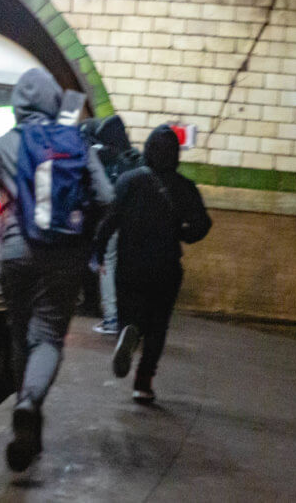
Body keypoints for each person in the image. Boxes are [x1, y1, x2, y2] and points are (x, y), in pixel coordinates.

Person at [0, 68, 113, 472]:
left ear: (18, 106)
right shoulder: (77, 140)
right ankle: (29, 403)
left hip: (16, 253)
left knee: (19, 335)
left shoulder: (4, 145)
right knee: (47, 337)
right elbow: (106, 197)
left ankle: (25, 424)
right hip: (65, 255)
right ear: (51, 101)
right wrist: (90, 241)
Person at [96, 124, 212, 403]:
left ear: (147, 149)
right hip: (166, 266)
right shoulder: (185, 187)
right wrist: (183, 233)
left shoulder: (129, 181)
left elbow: (110, 220)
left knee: (130, 311)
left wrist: (98, 252)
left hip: (130, 263)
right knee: (159, 325)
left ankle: (129, 331)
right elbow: (203, 225)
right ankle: (143, 382)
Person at [90, 115, 144, 335]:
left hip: (114, 221)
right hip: (138, 224)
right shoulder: (137, 158)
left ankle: (111, 318)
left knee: (107, 264)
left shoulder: (103, 156)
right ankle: (130, 320)